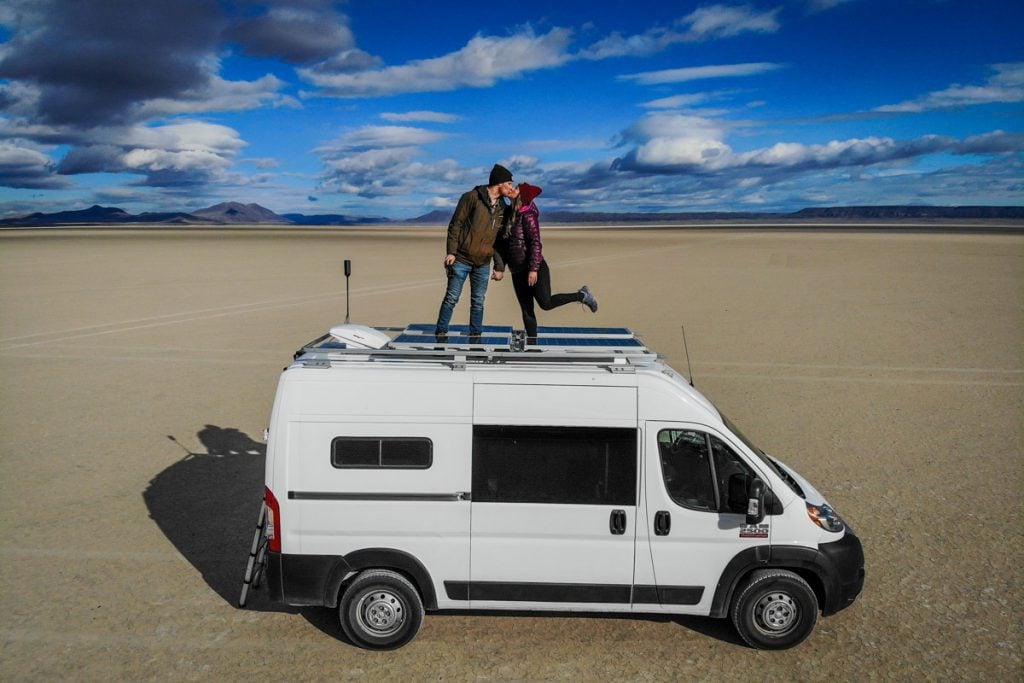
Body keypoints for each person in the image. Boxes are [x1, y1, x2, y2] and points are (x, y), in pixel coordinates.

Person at [496, 182, 597, 342]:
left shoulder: (528, 215)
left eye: (516, 188)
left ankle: (582, 295)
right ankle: (532, 346)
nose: (512, 189)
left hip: (533, 268)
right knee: (527, 309)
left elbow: (535, 242)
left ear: (522, 195)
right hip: (517, 270)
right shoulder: (513, 213)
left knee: (546, 303)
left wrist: (533, 269)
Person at [434, 164, 515, 338]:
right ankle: (440, 333)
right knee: (452, 297)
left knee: (478, 301)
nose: (511, 187)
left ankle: (475, 336)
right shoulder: (471, 198)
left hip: (483, 263)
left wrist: (499, 267)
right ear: (499, 183)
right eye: (509, 183)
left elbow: (500, 241)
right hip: (462, 259)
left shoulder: (503, 208)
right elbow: (456, 225)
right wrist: (451, 252)